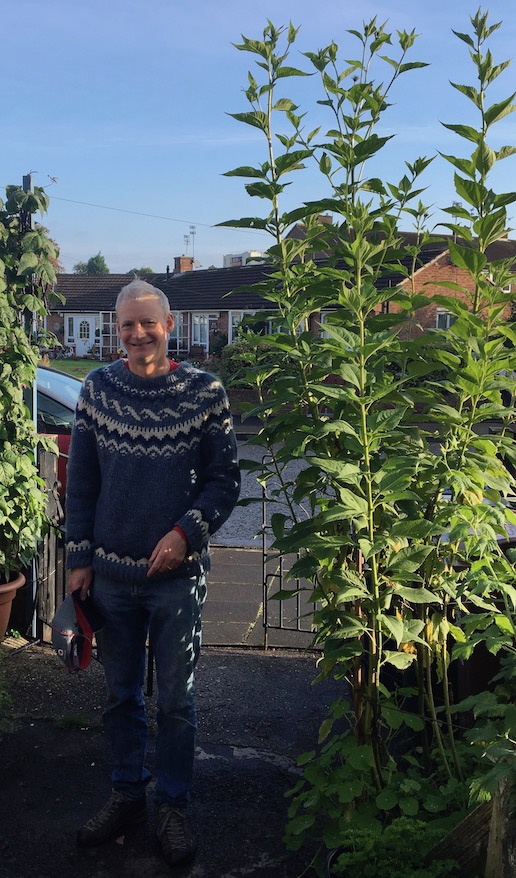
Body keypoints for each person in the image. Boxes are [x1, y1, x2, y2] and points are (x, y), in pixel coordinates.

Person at [65, 278, 240, 866]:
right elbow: (81, 483)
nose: (138, 334)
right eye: (126, 325)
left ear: (170, 326)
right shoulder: (96, 390)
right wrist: (78, 560)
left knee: (176, 701)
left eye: (148, 323)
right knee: (120, 697)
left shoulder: (204, 394)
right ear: (117, 330)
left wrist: (185, 531)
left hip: (176, 580)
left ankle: (171, 805)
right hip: (111, 577)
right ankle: (125, 793)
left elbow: (225, 482)